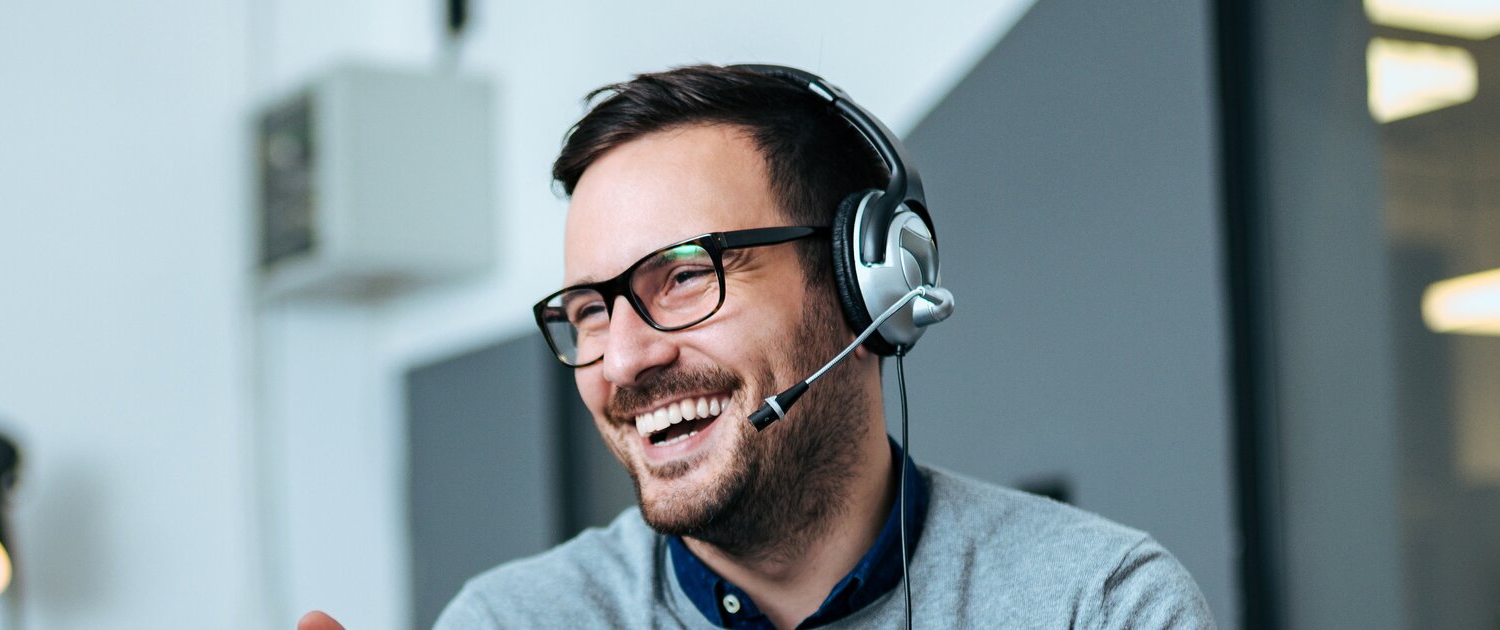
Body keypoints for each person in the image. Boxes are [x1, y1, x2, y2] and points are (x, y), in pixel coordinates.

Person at [303, 64, 1213, 629]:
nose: (620, 362)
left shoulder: (1095, 605)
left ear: (868, 284)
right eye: (587, 311)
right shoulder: (512, 623)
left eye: (686, 276)